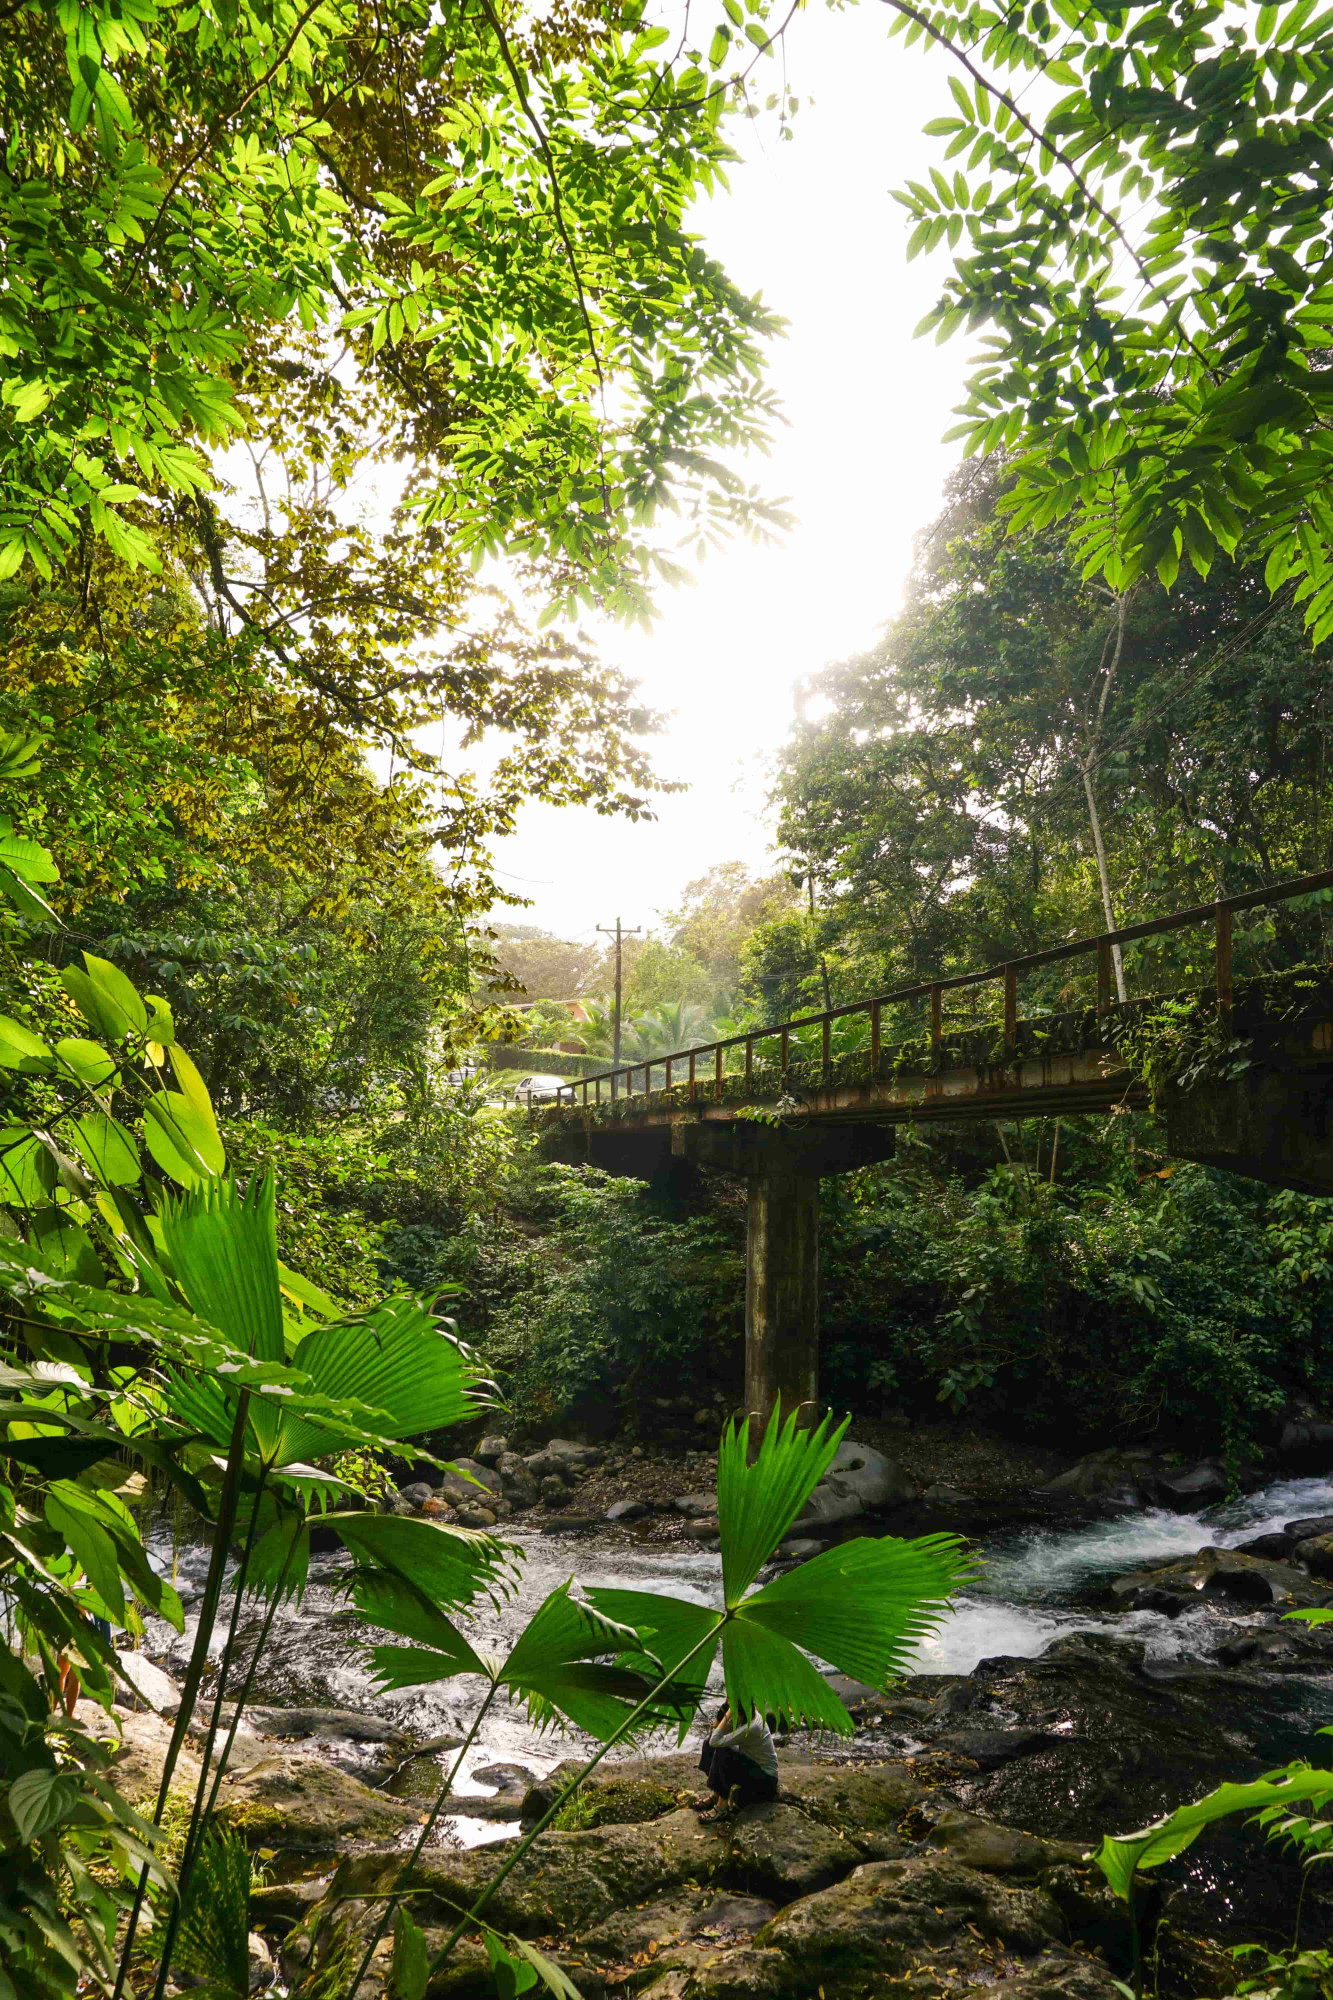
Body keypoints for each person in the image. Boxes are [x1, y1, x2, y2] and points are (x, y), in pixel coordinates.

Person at [695, 1702, 778, 1820]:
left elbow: (716, 1740)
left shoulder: (752, 1726)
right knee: (708, 1744)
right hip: (752, 1765)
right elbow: (714, 1736)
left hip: (766, 1779)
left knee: (724, 1752)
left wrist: (728, 1714)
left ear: (738, 1712)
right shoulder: (745, 1716)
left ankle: (721, 1808)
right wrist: (724, 1712)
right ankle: (716, 1794)